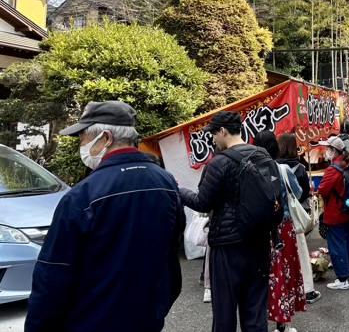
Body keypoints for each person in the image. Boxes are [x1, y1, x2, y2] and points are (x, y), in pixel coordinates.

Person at [25, 101, 184, 332]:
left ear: (106, 137)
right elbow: (171, 258)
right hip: (147, 318)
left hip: (91, 321)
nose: (82, 145)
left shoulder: (85, 193)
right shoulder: (166, 182)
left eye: (83, 138)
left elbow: (53, 274)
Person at [180, 111, 277, 332]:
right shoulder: (262, 155)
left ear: (223, 131)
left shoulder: (219, 163)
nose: (213, 139)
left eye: (214, 134)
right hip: (260, 242)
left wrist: (179, 191)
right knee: (255, 311)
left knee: (224, 313)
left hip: (228, 247)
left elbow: (203, 203)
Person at [255, 131, 306, 332]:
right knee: (283, 272)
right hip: (282, 228)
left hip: (258, 229)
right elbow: (299, 193)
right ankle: (282, 323)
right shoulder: (282, 169)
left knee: (262, 274)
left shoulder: (249, 169)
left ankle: (258, 320)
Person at [277, 133, 321, 305]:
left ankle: (285, 288)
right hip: (295, 216)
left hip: (276, 218)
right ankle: (307, 290)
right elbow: (302, 192)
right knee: (300, 252)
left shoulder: (272, 166)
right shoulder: (298, 168)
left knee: (282, 256)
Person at [318, 136, 349, 290]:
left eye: (328, 148)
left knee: (337, 244)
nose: (326, 151)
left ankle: (342, 278)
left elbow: (323, 190)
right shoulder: (347, 163)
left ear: (333, 150)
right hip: (348, 208)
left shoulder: (333, 169)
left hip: (336, 211)